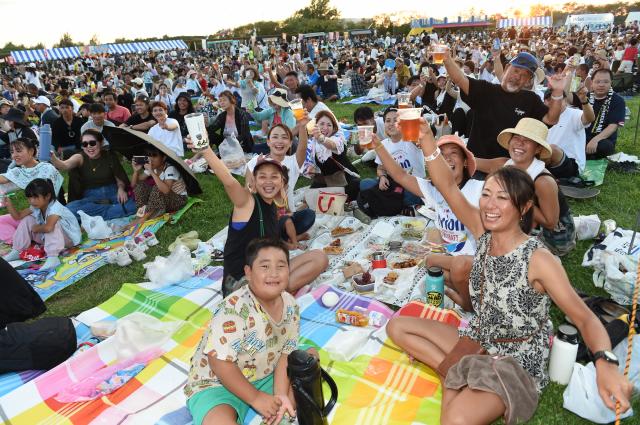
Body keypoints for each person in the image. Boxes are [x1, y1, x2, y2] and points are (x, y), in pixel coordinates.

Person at [385, 118, 632, 425]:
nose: (490, 204)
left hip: (516, 357)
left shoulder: (539, 259)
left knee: (455, 419)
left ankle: (460, 376)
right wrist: (426, 140)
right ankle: (459, 372)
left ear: (524, 207)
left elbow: (584, 317)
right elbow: (447, 186)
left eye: (502, 198)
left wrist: (606, 363)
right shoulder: (483, 232)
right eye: (486, 194)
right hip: (480, 337)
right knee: (396, 328)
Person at [190, 138, 327, 297]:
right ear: (253, 183)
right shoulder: (247, 202)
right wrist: (206, 150)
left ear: (283, 183)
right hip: (241, 283)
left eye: (274, 176)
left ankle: (274, 292)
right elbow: (230, 182)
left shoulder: (272, 207)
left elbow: (268, 239)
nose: (268, 181)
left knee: (320, 257)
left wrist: (291, 244)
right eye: (262, 176)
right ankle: (270, 295)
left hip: (265, 274)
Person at [184, 238, 299, 425]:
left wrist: (279, 395)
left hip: (264, 374)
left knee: (307, 362)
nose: (273, 273)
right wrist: (256, 398)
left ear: (289, 270)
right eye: (264, 266)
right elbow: (219, 363)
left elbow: (286, 352)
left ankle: (281, 413)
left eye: (281, 266)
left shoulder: (291, 305)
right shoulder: (233, 310)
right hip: (218, 383)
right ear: (249, 272)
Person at [476, 118, 576, 257]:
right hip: (527, 221)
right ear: (510, 141)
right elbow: (472, 162)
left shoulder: (543, 181)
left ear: (538, 148)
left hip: (555, 237)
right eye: (516, 137)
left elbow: (551, 222)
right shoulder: (505, 164)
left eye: (527, 140)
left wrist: (518, 198)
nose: (520, 143)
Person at [444, 49, 567, 160]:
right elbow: (460, 79)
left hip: (511, 167)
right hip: (477, 163)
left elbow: (551, 119)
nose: (517, 77)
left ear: (528, 80)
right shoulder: (485, 90)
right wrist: (447, 60)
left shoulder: (531, 100)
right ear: (507, 67)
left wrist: (558, 91)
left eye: (524, 75)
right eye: (516, 70)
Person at [245, 122, 315, 248]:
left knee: (308, 215)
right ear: (268, 142)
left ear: (289, 144)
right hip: (262, 219)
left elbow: (303, 148)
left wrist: (302, 127)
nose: (279, 141)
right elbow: (247, 194)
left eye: (284, 137)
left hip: (284, 218)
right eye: (275, 137)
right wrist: (257, 170)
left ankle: (286, 238)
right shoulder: (255, 162)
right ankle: (283, 240)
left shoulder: (292, 163)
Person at [50, 129, 136, 220]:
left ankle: (96, 215)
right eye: (85, 144)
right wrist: (53, 157)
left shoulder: (110, 156)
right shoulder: (80, 157)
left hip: (113, 193)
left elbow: (119, 179)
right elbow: (64, 165)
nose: (89, 147)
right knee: (69, 209)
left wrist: (121, 189)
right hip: (92, 198)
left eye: (92, 143)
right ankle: (110, 211)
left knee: (134, 205)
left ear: (101, 143)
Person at [2, 178, 81, 271]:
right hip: (52, 239)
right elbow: (18, 216)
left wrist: (36, 228)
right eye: (29, 198)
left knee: (52, 225)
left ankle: (53, 258)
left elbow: (48, 228)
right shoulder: (36, 206)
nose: (32, 201)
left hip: (69, 240)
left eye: (35, 197)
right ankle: (17, 250)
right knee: (27, 219)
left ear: (47, 196)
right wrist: (9, 205)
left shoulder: (55, 208)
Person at [359, 107, 426, 208]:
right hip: (393, 185)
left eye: (396, 120)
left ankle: (387, 202)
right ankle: (392, 202)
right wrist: (382, 177)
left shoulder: (411, 138)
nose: (391, 123)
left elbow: (417, 132)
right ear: (384, 124)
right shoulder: (383, 144)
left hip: (413, 185)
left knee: (410, 195)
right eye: (388, 121)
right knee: (365, 183)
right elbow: (380, 168)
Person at [129, 144, 188, 226]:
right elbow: (134, 185)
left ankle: (145, 218)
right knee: (140, 186)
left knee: (158, 187)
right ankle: (141, 213)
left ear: (163, 158)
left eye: (154, 156)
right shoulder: (152, 168)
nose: (151, 159)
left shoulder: (170, 168)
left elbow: (166, 190)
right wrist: (136, 171)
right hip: (164, 200)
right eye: (148, 156)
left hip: (178, 200)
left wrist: (152, 172)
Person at [309, 110, 360, 200]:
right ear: (315, 125)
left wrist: (321, 138)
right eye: (322, 124)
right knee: (310, 198)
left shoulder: (337, 139)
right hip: (327, 182)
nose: (325, 127)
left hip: (346, 181)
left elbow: (331, 144)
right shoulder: (312, 143)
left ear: (333, 128)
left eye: (329, 125)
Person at [544, 89, 594, 179]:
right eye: (549, 99)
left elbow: (589, 118)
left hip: (571, 164)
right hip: (547, 162)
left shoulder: (574, 114)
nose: (554, 102)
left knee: (552, 149)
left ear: (565, 100)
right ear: (544, 102)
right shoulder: (542, 116)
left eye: (559, 99)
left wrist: (584, 100)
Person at [581, 69, 626, 159]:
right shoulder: (585, 97)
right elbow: (568, 100)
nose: (601, 85)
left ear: (611, 83)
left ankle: (585, 154)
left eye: (606, 82)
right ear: (592, 83)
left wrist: (595, 140)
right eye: (597, 82)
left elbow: (613, 126)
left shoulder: (618, 100)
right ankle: (587, 154)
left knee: (605, 147)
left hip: (603, 139)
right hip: (583, 135)